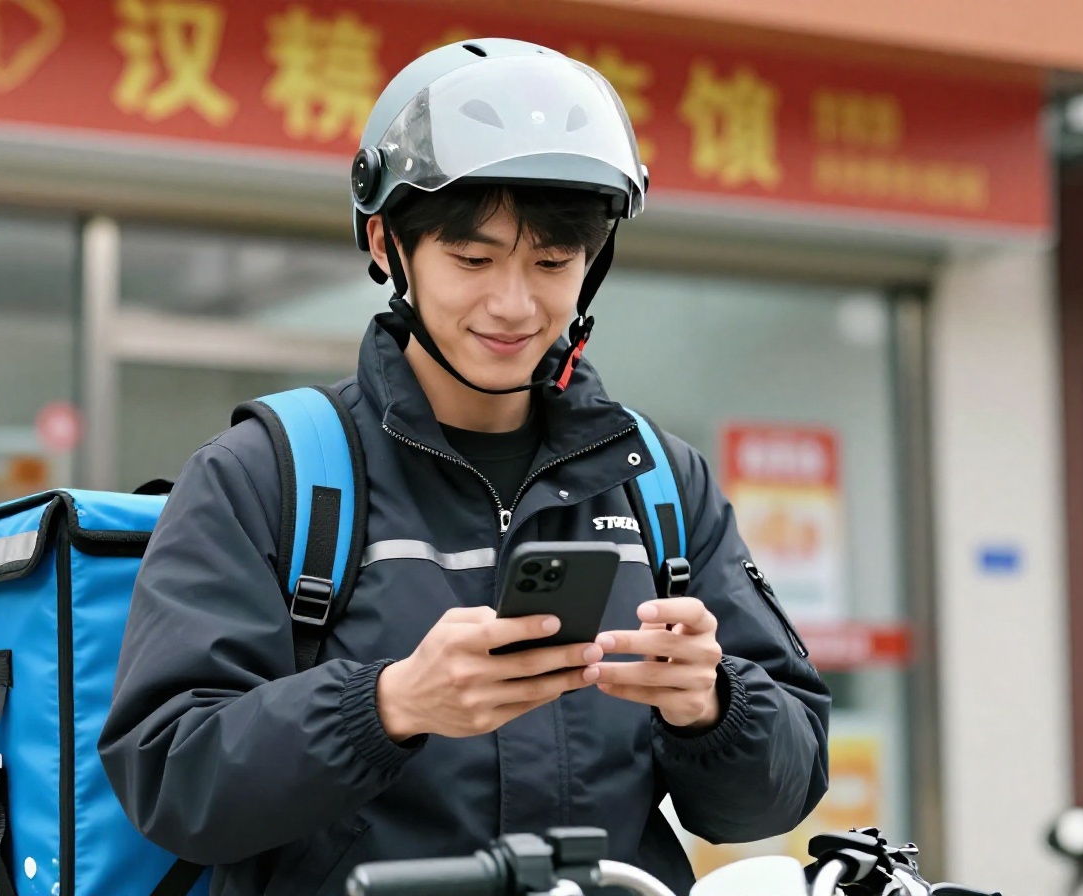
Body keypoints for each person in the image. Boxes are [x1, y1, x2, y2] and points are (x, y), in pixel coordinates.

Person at [99, 38, 829, 896]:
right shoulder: (268, 474)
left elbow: (772, 794)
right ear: (386, 244)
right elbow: (170, 779)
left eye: (554, 263)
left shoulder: (660, 482)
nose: (515, 305)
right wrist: (389, 705)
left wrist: (712, 708)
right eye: (473, 260)